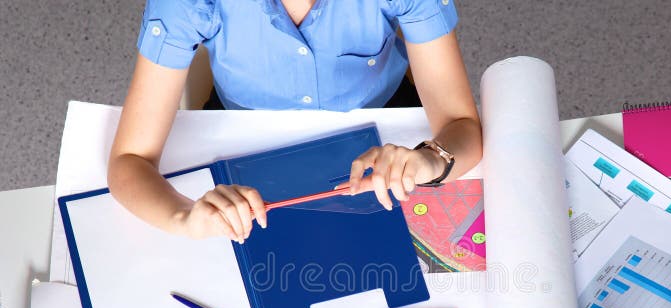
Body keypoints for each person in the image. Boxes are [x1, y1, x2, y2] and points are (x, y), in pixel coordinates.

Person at [108, 0, 482, 244]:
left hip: (386, 126)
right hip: (245, 137)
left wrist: (429, 159)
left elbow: (461, 123)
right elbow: (129, 160)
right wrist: (185, 216)